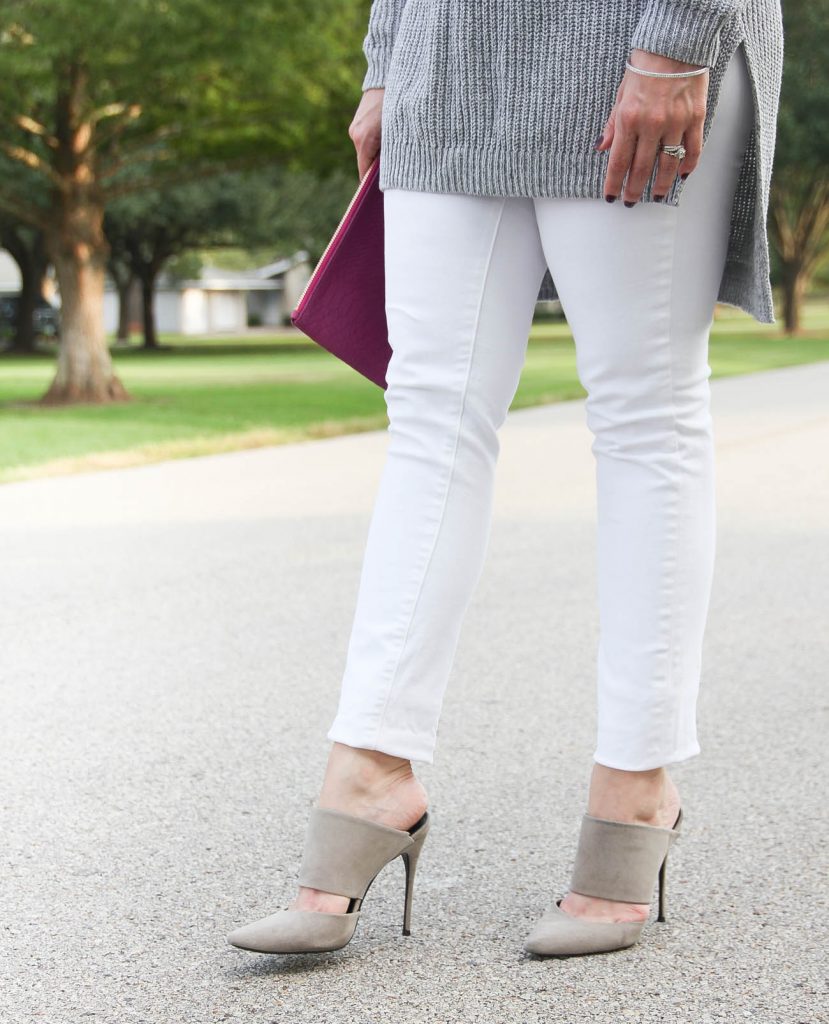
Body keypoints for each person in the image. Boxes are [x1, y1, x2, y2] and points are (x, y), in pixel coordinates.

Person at [227, 0, 784, 957]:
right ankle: (370, 770)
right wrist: (385, 58)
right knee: (430, 414)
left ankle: (636, 782)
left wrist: (678, 40)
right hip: (449, 50)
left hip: (630, 41)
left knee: (642, 414)